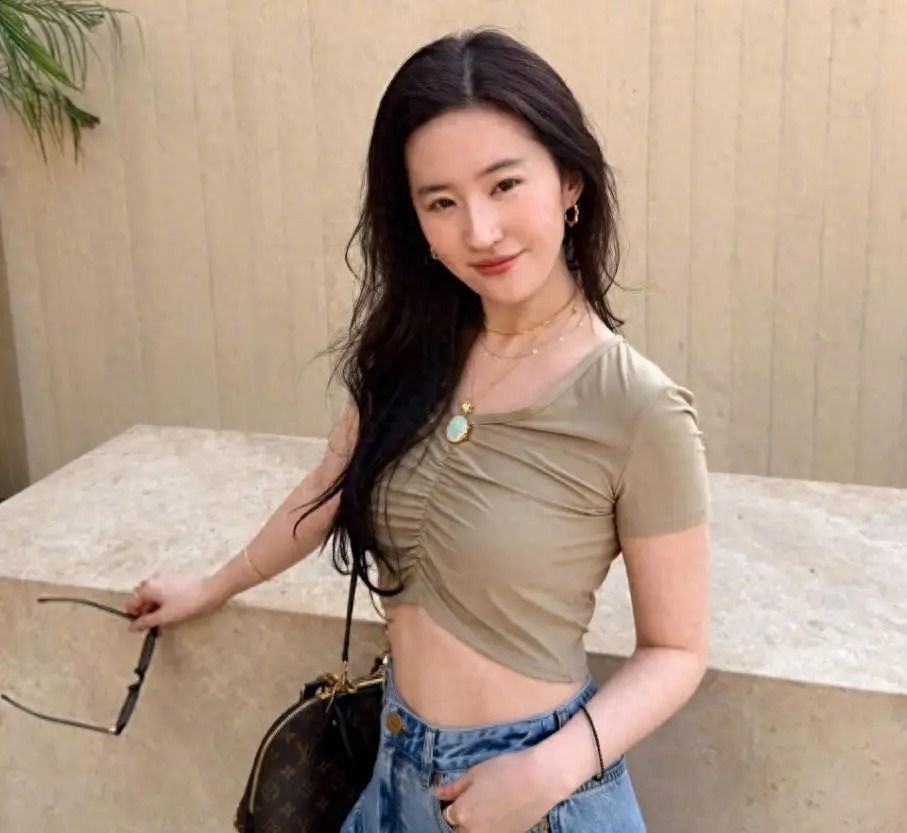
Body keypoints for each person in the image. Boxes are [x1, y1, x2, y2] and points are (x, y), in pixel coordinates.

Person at [127, 28, 710, 833]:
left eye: (504, 184)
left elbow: (676, 650)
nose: (480, 230)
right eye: (441, 202)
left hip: (534, 794)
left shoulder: (638, 407)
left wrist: (545, 771)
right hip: (392, 771)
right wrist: (211, 586)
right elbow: (327, 489)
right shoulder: (413, 356)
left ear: (569, 181)